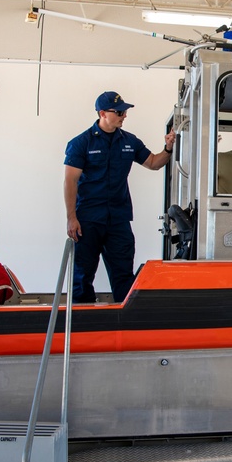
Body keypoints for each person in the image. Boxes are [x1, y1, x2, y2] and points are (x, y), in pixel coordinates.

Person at [64, 91, 175, 303]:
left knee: (124, 275)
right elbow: (70, 181)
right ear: (102, 113)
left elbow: (153, 163)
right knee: (82, 275)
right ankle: (81, 324)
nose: (124, 116)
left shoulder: (130, 141)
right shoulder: (81, 143)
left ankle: (123, 326)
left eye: (125, 111)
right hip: (88, 219)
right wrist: (71, 217)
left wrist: (168, 148)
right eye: (120, 112)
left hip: (118, 220)